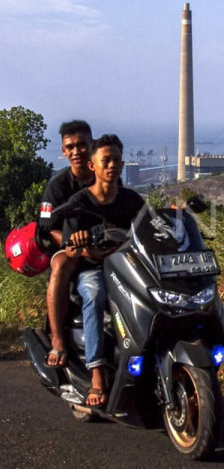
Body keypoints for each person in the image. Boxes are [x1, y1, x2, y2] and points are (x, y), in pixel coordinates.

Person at [62, 134, 145, 407]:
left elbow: (151, 227)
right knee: (95, 295)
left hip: (127, 267)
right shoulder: (79, 203)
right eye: (106, 161)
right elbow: (70, 247)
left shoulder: (132, 200)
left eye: (117, 161)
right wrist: (79, 243)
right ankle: (96, 374)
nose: (113, 166)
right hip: (94, 269)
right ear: (93, 166)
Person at [39, 120, 94, 367]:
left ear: (91, 146)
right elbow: (48, 228)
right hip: (69, 247)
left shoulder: (103, 178)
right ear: (63, 151)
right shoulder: (58, 185)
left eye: (82, 145)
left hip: (103, 245)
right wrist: (74, 246)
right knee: (61, 266)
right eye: (70, 147)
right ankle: (58, 340)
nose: (76, 151)